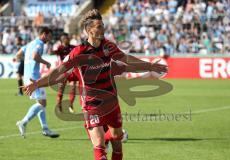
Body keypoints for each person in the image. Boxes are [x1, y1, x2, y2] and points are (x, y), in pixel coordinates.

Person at [22, 9, 167, 160]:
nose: (103, 28)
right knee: (99, 144)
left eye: (103, 25)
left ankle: (109, 137)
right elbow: (59, 72)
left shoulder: (108, 46)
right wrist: (37, 84)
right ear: (89, 30)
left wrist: (149, 66)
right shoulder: (79, 53)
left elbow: (126, 59)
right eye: (99, 26)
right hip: (92, 105)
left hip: (111, 102)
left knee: (117, 138)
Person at [16, 27, 59, 138]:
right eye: (49, 36)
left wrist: (26, 63)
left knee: (41, 103)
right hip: (33, 79)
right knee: (42, 103)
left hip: (28, 76)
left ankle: (45, 128)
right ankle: (23, 122)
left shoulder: (30, 44)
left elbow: (18, 54)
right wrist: (46, 62)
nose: (50, 38)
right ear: (44, 34)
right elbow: (35, 56)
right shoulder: (40, 43)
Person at [52, 33, 76, 113]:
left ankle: (70, 105)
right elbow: (53, 51)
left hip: (72, 71)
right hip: (63, 72)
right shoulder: (59, 48)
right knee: (61, 89)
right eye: (66, 38)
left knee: (73, 88)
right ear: (62, 40)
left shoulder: (73, 47)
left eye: (68, 38)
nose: (68, 39)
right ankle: (59, 105)